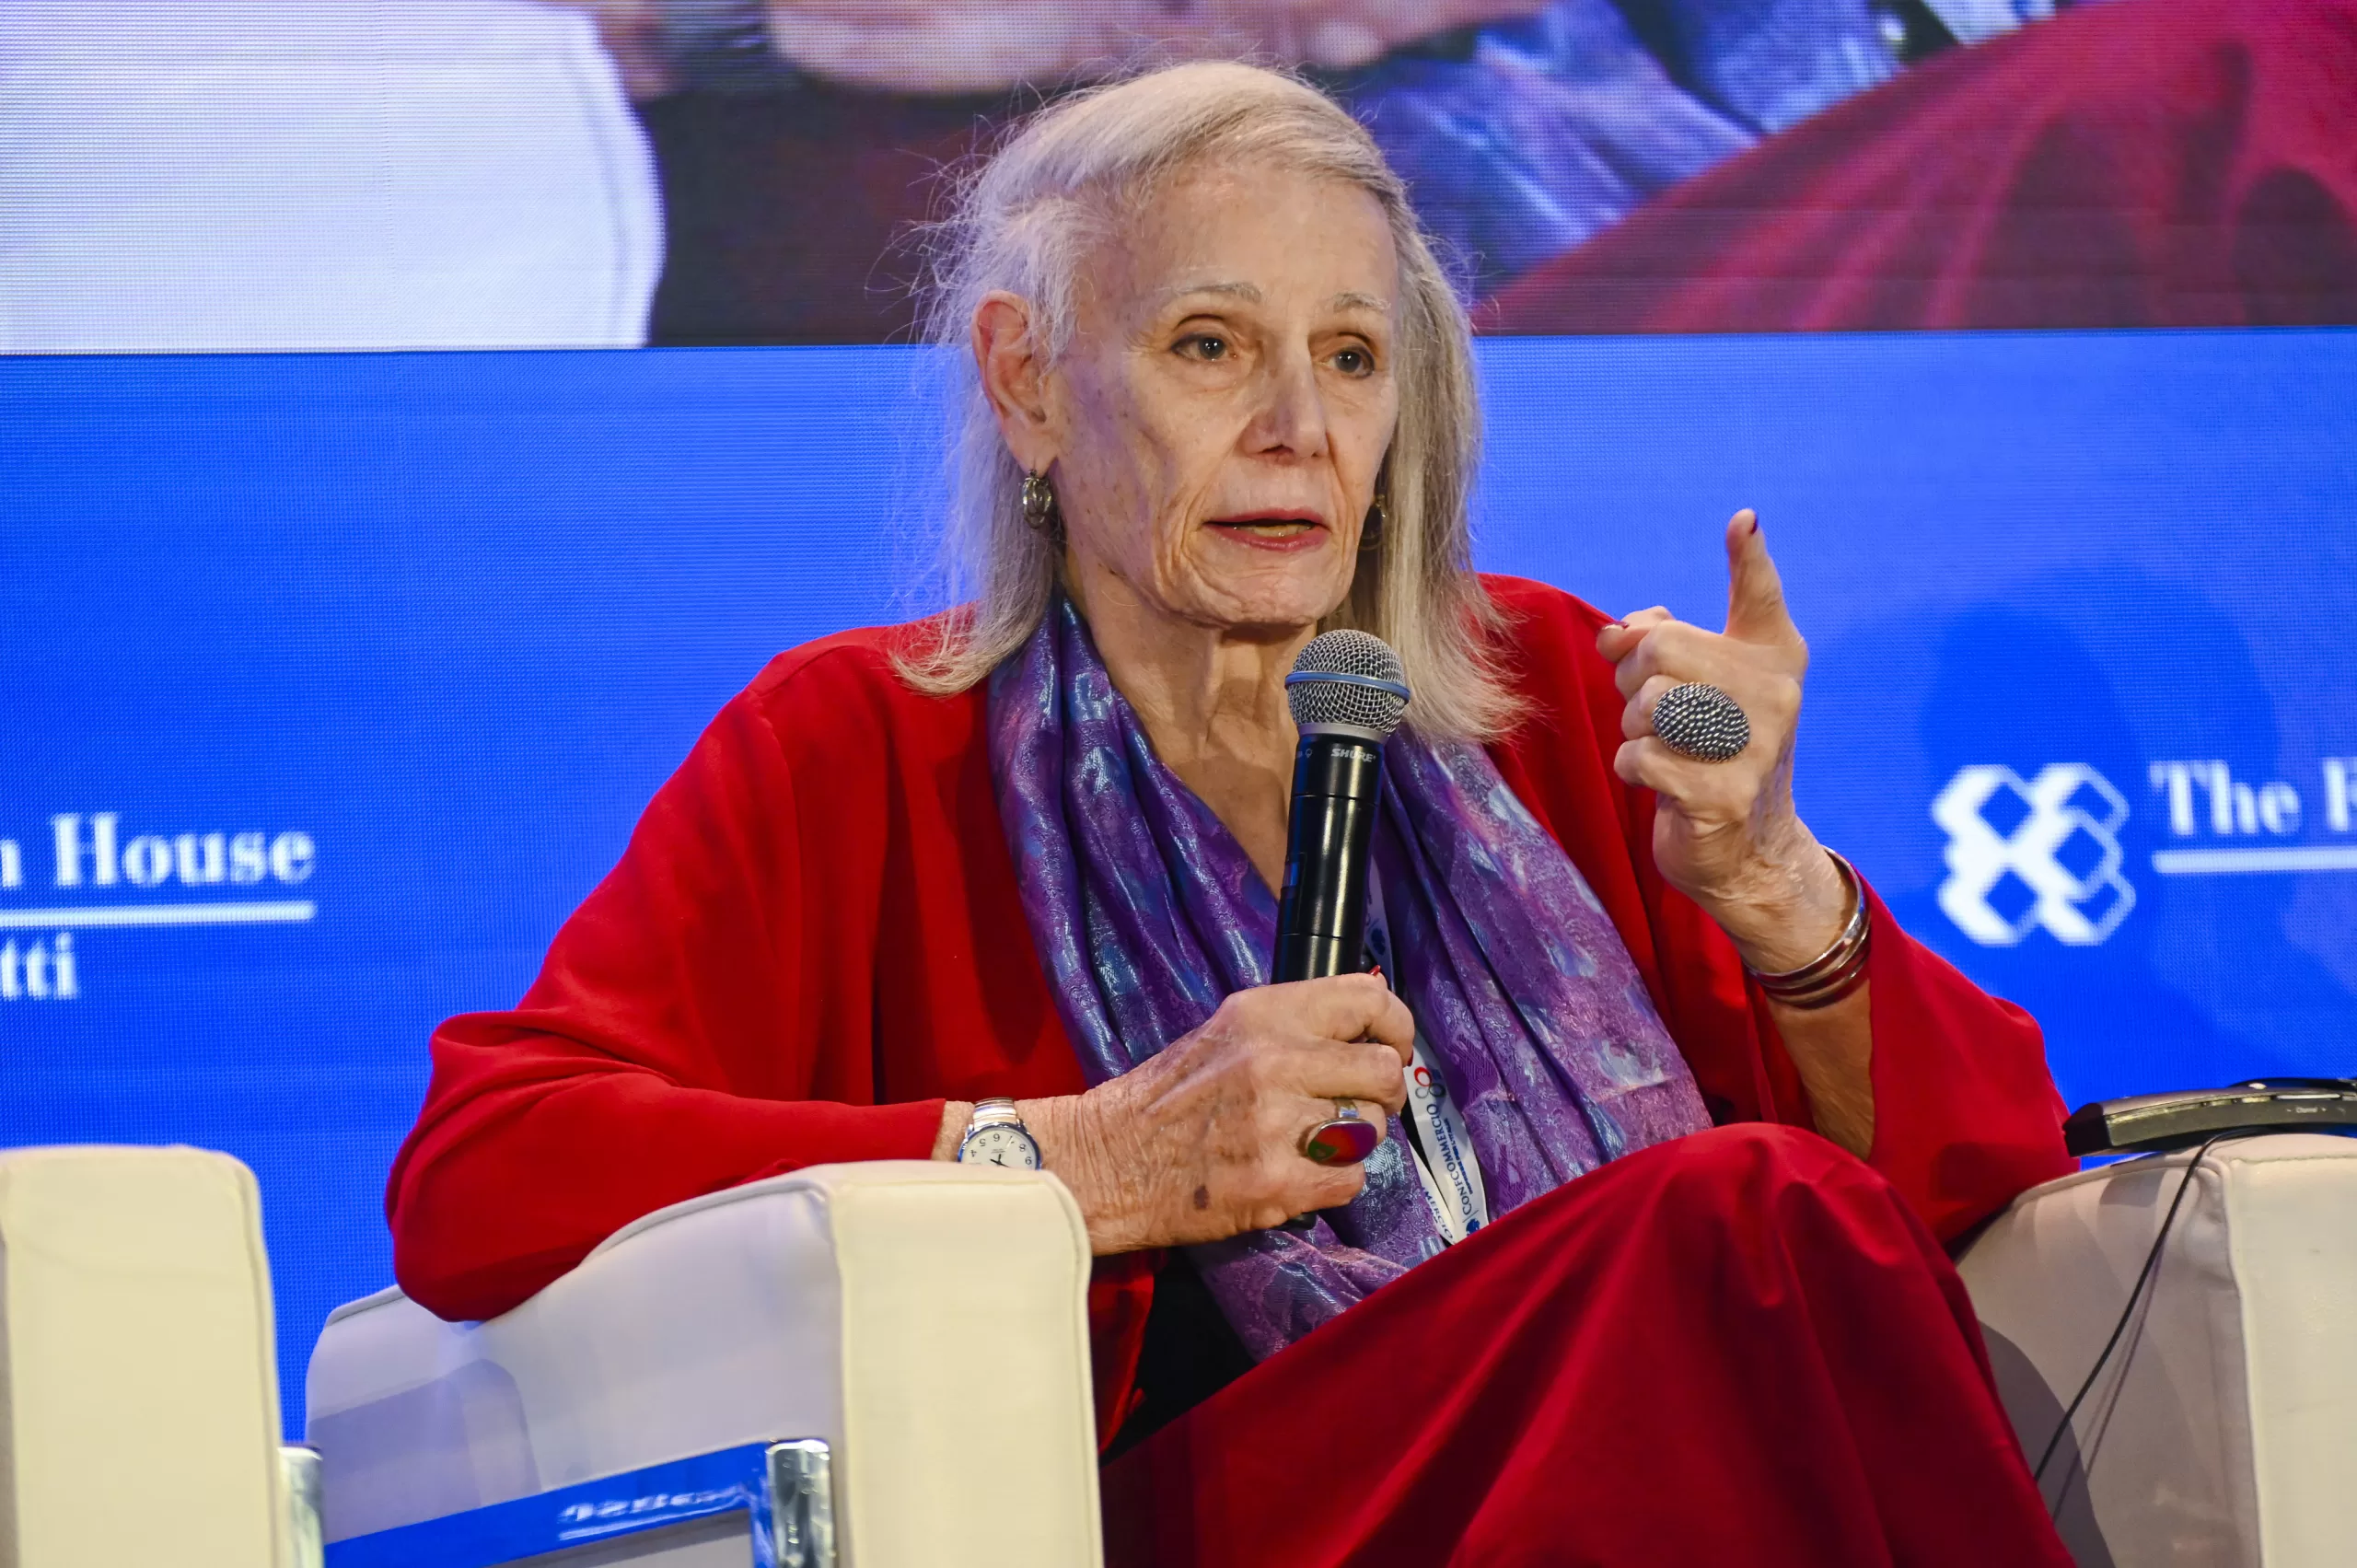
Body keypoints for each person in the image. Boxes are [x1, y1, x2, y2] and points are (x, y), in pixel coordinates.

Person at [388, 62, 2078, 1563]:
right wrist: (1085, 1157)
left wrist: (1773, 881)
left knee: (1758, 1236)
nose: (1299, 429)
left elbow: (1972, 1180)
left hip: (1628, 1459)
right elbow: (484, 1173)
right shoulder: (863, 745)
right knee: (1731, 1221)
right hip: (1213, 1514)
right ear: (1027, 380)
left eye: (1352, 356)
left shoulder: (1549, 692)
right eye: (1210, 346)